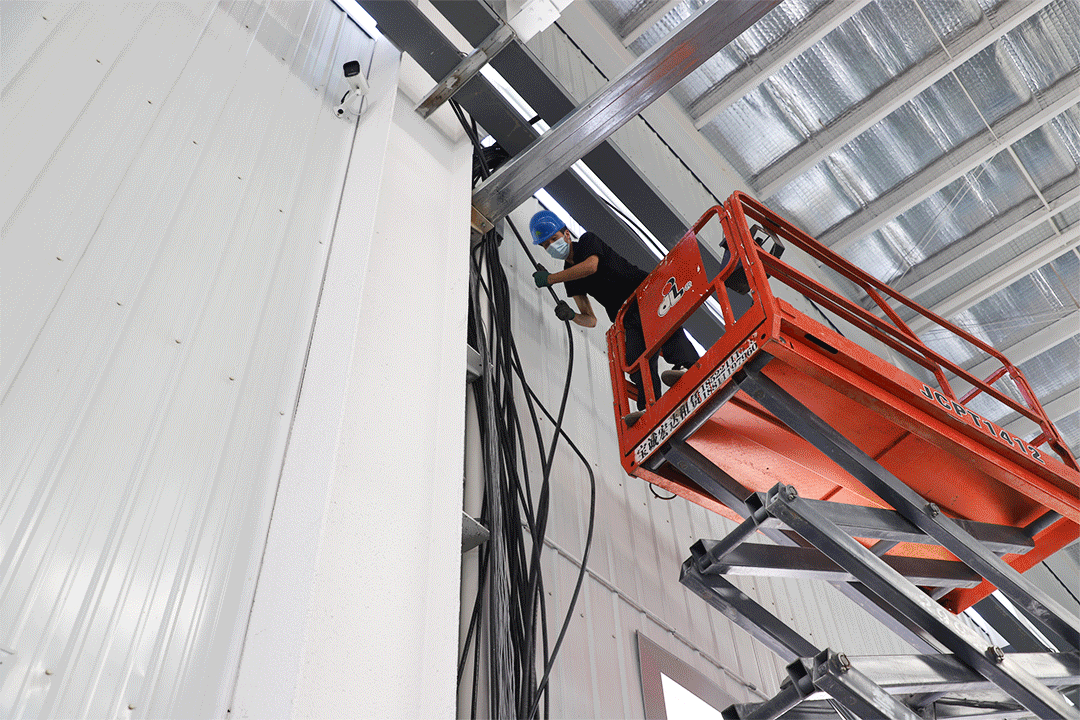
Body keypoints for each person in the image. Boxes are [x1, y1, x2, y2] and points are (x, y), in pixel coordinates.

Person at [528, 210, 698, 424]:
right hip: (625, 314)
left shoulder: (587, 241)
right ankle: (650, 407)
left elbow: (591, 266)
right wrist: (571, 315)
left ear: (567, 234)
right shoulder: (568, 277)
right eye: (545, 245)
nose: (551, 246)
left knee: (666, 328)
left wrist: (551, 279)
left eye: (554, 238)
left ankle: (690, 368)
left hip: (645, 293)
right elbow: (590, 319)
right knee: (635, 359)